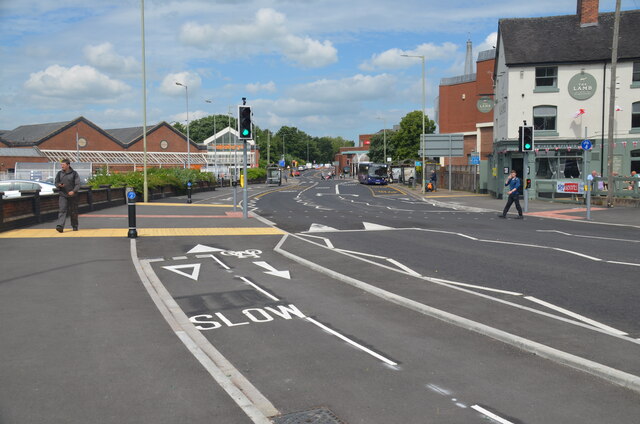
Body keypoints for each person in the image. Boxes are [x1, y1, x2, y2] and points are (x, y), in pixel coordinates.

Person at [55, 158, 81, 232]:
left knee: (73, 211)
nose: (62, 166)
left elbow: (78, 184)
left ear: (68, 165)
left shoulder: (74, 173)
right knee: (62, 210)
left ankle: (75, 225)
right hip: (63, 195)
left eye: (63, 165)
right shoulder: (59, 173)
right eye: (61, 165)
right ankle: (60, 226)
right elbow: (56, 183)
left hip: (73, 196)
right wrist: (59, 185)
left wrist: (73, 191)